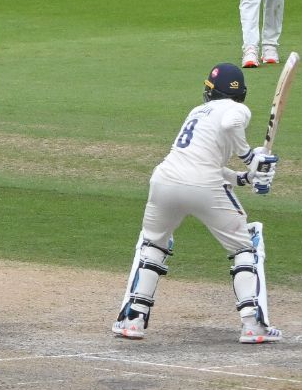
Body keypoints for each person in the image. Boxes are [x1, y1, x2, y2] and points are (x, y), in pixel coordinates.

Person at [113, 63, 281, 344]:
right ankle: (253, 325)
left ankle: (132, 320)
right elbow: (230, 126)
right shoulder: (237, 109)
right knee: (245, 246)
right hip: (204, 186)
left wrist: (243, 177)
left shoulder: (197, 112)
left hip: (165, 181)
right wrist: (250, 158)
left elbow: (201, 159)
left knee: (153, 245)